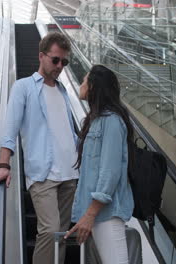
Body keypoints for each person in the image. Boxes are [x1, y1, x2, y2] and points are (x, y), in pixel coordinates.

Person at [0, 32, 78, 264]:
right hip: (43, 173)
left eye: (64, 62)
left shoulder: (63, 91)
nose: (60, 66)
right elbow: (10, 128)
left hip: (71, 173)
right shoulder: (24, 87)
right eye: (55, 60)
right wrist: (3, 163)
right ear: (41, 56)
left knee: (61, 235)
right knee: (49, 230)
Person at [65, 65, 134, 264]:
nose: (81, 84)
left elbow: (110, 172)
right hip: (97, 214)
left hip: (106, 214)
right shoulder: (95, 121)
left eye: (85, 80)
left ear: (94, 86)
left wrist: (90, 214)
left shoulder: (111, 121)